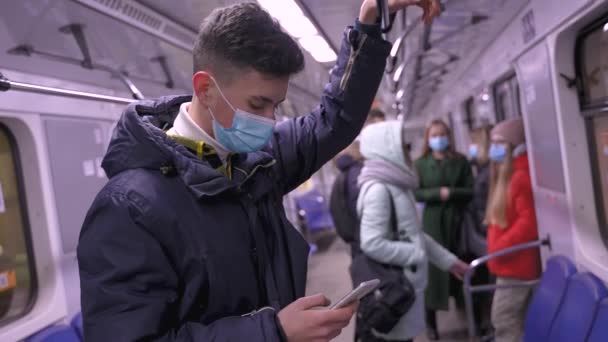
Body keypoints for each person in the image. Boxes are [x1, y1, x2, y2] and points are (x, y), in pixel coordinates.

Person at [77, 1, 442, 342]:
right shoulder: (130, 208)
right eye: (258, 103)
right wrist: (273, 332)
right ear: (205, 89)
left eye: (277, 105)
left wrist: (370, 21)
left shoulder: (256, 163)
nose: (270, 121)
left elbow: (336, 119)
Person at [357, 121, 469, 342]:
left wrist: (449, 261)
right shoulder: (379, 190)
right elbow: (371, 243)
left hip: (405, 291)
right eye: (403, 145)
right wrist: (416, 254)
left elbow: (413, 235)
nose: (408, 150)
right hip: (394, 293)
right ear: (387, 149)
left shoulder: (396, 184)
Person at [414, 119, 474, 340]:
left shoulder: (460, 161)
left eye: (442, 134)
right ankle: (431, 325)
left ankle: (469, 318)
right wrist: (436, 194)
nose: (439, 139)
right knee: (432, 273)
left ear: (448, 137)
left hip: (457, 220)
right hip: (432, 222)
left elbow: (470, 190)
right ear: (428, 140)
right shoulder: (420, 164)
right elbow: (416, 193)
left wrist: (452, 193)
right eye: (434, 135)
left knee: (460, 265)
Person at [485, 118, 540, 342]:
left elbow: (529, 224)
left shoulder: (519, 177)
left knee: (504, 320)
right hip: (509, 264)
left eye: (500, 143)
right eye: (492, 143)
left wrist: (499, 248)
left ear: (515, 146)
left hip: (515, 265)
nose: (494, 148)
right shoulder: (508, 175)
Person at [462, 125, 494, 336]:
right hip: (480, 236)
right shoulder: (481, 169)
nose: (471, 148)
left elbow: (486, 208)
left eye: (474, 143)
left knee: (490, 283)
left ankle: (488, 325)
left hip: (486, 236)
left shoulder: (489, 173)